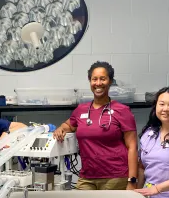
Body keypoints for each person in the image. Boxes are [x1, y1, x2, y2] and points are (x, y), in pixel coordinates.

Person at [53, 61, 138, 190]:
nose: (98, 83)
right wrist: (60, 128)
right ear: (90, 82)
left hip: (115, 177)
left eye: (103, 79)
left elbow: (132, 147)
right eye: (94, 79)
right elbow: (68, 125)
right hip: (87, 177)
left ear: (110, 81)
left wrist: (132, 181)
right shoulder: (81, 110)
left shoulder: (122, 110)